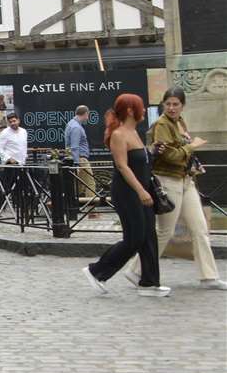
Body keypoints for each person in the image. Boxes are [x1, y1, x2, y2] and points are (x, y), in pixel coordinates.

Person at [127, 87, 225, 291]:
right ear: (163, 104)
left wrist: (190, 156)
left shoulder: (180, 122)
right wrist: (192, 146)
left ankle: (209, 276)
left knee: (199, 228)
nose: (171, 108)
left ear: (182, 106)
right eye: (168, 104)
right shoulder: (162, 124)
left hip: (185, 180)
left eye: (175, 104)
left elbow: (180, 152)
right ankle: (135, 271)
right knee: (165, 230)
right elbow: (169, 156)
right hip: (168, 180)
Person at [84, 93, 169, 297]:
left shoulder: (134, 132)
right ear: (131, 111)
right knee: (135, 237)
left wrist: (152, 152)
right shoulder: (119, 134)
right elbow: (122, 166)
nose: (145, 110)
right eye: (141, 106)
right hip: (127, 193)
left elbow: (138, 160)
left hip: (142, 190)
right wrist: (140, 191)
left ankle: (149, 283)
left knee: (149, 235)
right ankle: (97, 271)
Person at [65, 105, 94, 207]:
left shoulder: (71, 124)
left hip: (77, 158)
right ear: (86, 114)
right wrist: (77, 163)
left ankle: (70, 206)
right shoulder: (76, 127)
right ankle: (92, 210)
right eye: (88, 115)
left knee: (78, 185)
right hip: (81, 159)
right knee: (90, 183)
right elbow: (75, 147)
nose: (88, 118)